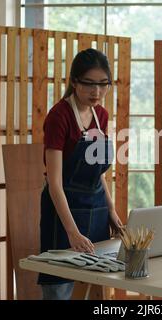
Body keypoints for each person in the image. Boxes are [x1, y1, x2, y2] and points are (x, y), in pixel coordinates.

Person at [38, 48, 123, 300]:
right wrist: (72, 232)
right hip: (63, 211)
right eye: (89, 84)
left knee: (92, 281)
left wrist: (111, 210)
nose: (96, 92)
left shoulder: (102, 116)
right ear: (74, 82)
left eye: (103, 84)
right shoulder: (59, 116)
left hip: (95, 208)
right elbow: (54, 183)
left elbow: (98, 173)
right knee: (58, 287)